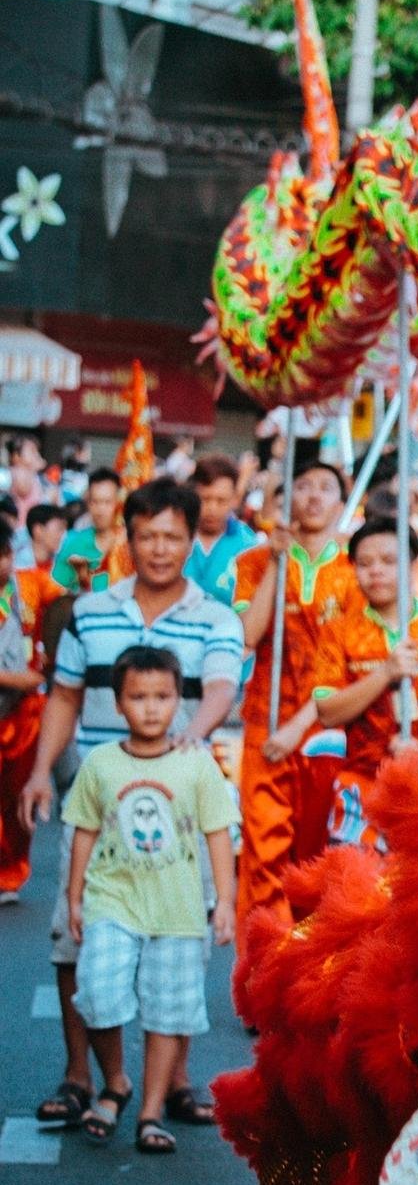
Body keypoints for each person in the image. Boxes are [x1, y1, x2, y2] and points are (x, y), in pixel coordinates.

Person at [20, 477, 243, 1130]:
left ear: (191, 538)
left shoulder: (216, 617)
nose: (160, 549)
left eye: (173, 536)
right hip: (97, 794)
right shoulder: (90, 611)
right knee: (76, 936)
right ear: (129, 537)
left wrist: (188, 740)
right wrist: (39, 773)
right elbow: (63, 697)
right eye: (148, 535)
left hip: (179, 806)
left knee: (180, 940)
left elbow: (223, 687)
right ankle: (83, 1075)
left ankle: (173, 1080)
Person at [65, 645, 236, 1152]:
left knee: (167, 1012)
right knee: (96, 993)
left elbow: (218, 834)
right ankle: (115, 1080)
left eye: (162, 696)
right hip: (112, 902)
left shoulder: (196, 765)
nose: (151, 707)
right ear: (118, 704)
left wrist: (225, 901)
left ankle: (149, 1112)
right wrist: (75, 898)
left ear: (178, 700)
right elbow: (83, 831)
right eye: (138, 697)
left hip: (177, 910)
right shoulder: (100, 763)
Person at [232, 461, 358, 932]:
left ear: (342, 504)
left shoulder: (355, 570)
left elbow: (350, 660)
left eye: (326, 487)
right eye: (302, 485)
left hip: (332, 731)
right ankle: (261, 977)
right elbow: (248, 633)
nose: (313, 496)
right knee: (263, 855)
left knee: (317, 860)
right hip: (265, 722)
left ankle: (307, 977)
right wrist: (277, 562)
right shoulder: (254, 561)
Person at [311, 517, 418, 848]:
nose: (375, 571)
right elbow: (327, 711)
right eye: (364, 563)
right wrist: (385, 674)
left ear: (413, 565)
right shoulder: (339, 632)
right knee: (356, 894)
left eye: (389, 561)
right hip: (360, 791)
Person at [0, 519, 46, 901]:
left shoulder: (29, 585)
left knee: (18, 796)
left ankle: (11, 872)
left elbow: (69, 606)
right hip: (16, 689)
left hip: (24, 715)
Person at [185, 455, 257, 605]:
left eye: (221, 501)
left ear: (234, 500)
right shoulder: (175, 536)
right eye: (205, 499)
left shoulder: (248, 544)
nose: (212, 509)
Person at [52, 469, 123, 594]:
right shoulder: (73, 542)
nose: (100, 510)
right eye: (95, 502)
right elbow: (55, 593)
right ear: (88, 503)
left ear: (119, 503)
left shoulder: (130, 544)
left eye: (107, 502)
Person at [2, 433, 53, 522]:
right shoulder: (15, 472)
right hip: (19, 530)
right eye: (32, 451)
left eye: (37, 451)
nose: (37, 455)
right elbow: (23, 488)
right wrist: (33, 469)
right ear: (16, 456)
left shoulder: (34, 475)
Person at [19, 501, 68, 574]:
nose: (64, 535)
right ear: (38, 530)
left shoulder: (64, 564)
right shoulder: (17, 566)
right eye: (59, 529)